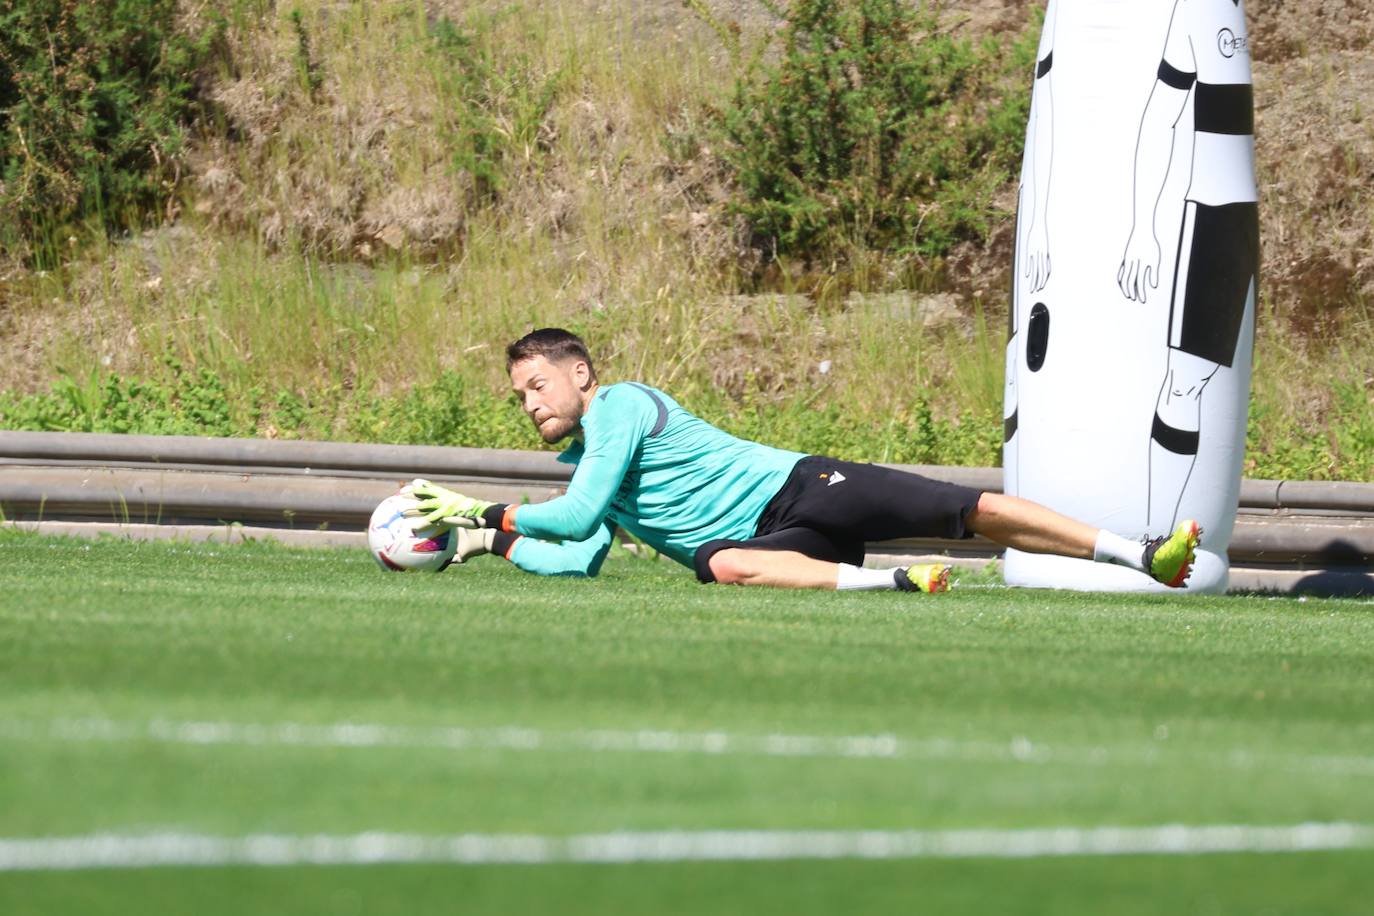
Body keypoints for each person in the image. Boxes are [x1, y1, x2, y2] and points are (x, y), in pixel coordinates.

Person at [407, 328, 1201, 592]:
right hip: (778, 546)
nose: (531, 403)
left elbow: (576, 516)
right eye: (520, 396)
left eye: (537, 385)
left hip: (809, 487)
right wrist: (492, 541)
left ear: (580, 374)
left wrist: (483, 510)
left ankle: (1141, 553)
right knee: (718, 564)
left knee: (972, 512)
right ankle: (895, 581)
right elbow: (578, 556)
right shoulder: (589, 458)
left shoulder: (617, 407)